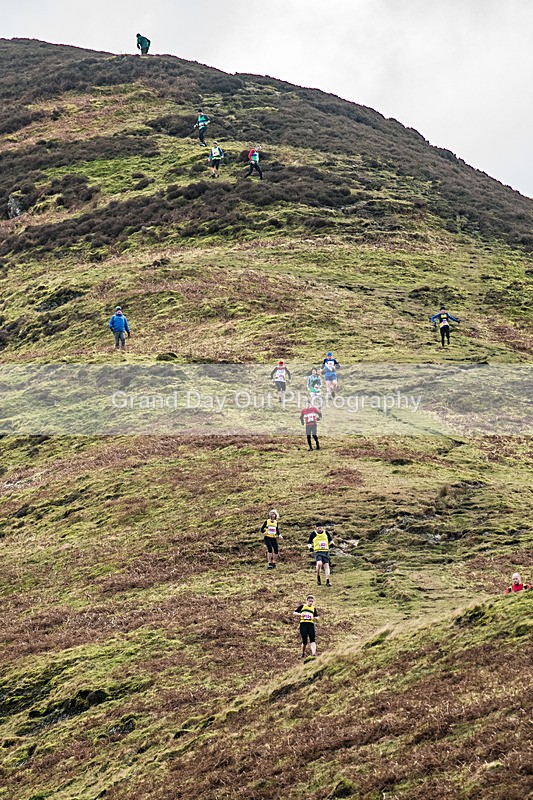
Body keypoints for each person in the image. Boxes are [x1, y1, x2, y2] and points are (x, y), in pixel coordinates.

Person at [293, 594, 319, 658]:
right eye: (310, 601)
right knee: (304, 641)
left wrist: (315, 617)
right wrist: (301, 614)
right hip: (303, 624)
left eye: (312, 601)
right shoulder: (302, 606)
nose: (311, 602)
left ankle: (313, 654)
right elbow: (294, 613)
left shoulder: (313, 608)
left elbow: (317, 617)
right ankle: (303, 653)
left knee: (312, 639)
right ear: (307, 601)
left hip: (310, 624)